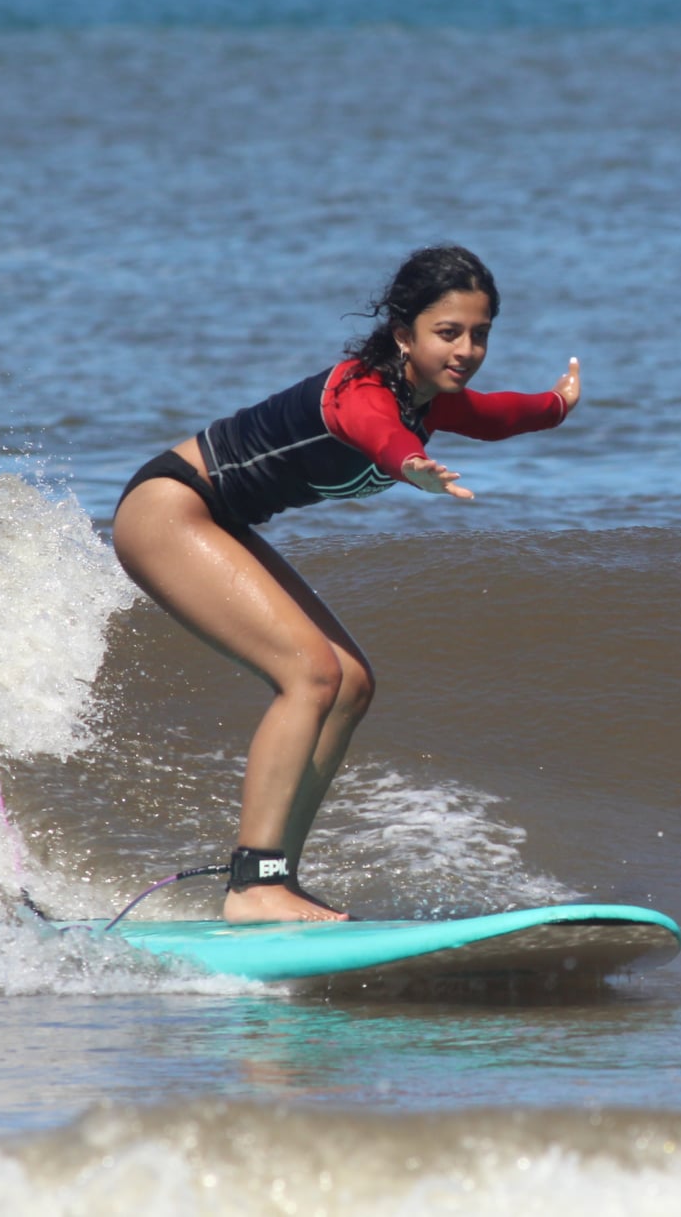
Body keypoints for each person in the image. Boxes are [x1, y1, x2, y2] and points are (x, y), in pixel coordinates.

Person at [111, 245, 580, 922]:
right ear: (404, 334)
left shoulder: (431, 401)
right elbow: (376, 432)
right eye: (448, 332)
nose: (467, 349)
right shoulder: (361, 392)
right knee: (310, 674)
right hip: (167, 510)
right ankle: (254, 885)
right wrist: (410, 463)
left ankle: (276, 877)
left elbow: (497, 414)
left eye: (480, 333)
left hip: (218, 519)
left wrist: (556, 406)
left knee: (351, 681)